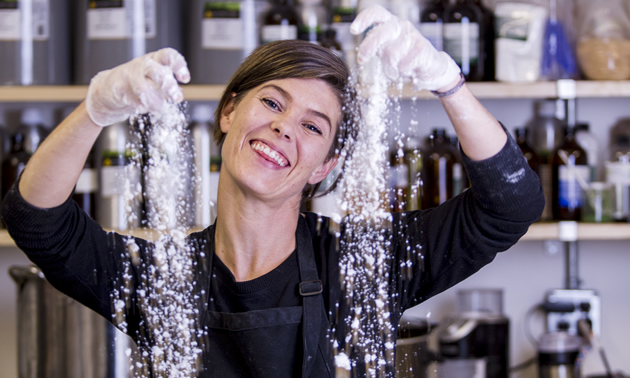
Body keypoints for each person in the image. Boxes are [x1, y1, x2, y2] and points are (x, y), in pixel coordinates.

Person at [2, 5, 544, 378]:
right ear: (228, 111)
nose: (285, 127)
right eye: (272, 102)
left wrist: (448, 84)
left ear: (323, 165)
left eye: (313, 126)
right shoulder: (162, 279)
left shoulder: (364, 266)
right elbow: (35, 219)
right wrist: (95, 110)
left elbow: (511, 204)